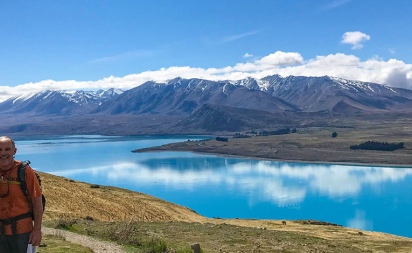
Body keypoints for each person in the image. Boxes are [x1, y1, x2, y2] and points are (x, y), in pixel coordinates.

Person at [0, 136, 43, 253]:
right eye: (0, 150)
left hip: (23, 232)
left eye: (7, 149)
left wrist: (37, 230)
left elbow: (37, 201)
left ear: (14, 151)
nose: (3, 153)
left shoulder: (24, 171)